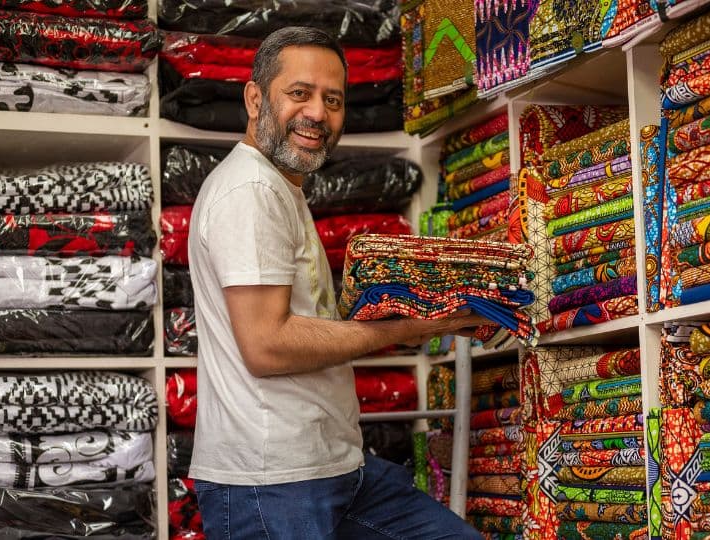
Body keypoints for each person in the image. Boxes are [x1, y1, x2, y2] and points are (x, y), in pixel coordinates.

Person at [187, 26, 487, 540]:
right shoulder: (250, 191)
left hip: (331, 466)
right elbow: (268, 345)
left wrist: (405, 322)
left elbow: (302, 325)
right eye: (299, 94)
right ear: (255, 98)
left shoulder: (280, 187)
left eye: (333, 100)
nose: (318, 114)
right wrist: (402, 328)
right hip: (272, 482)